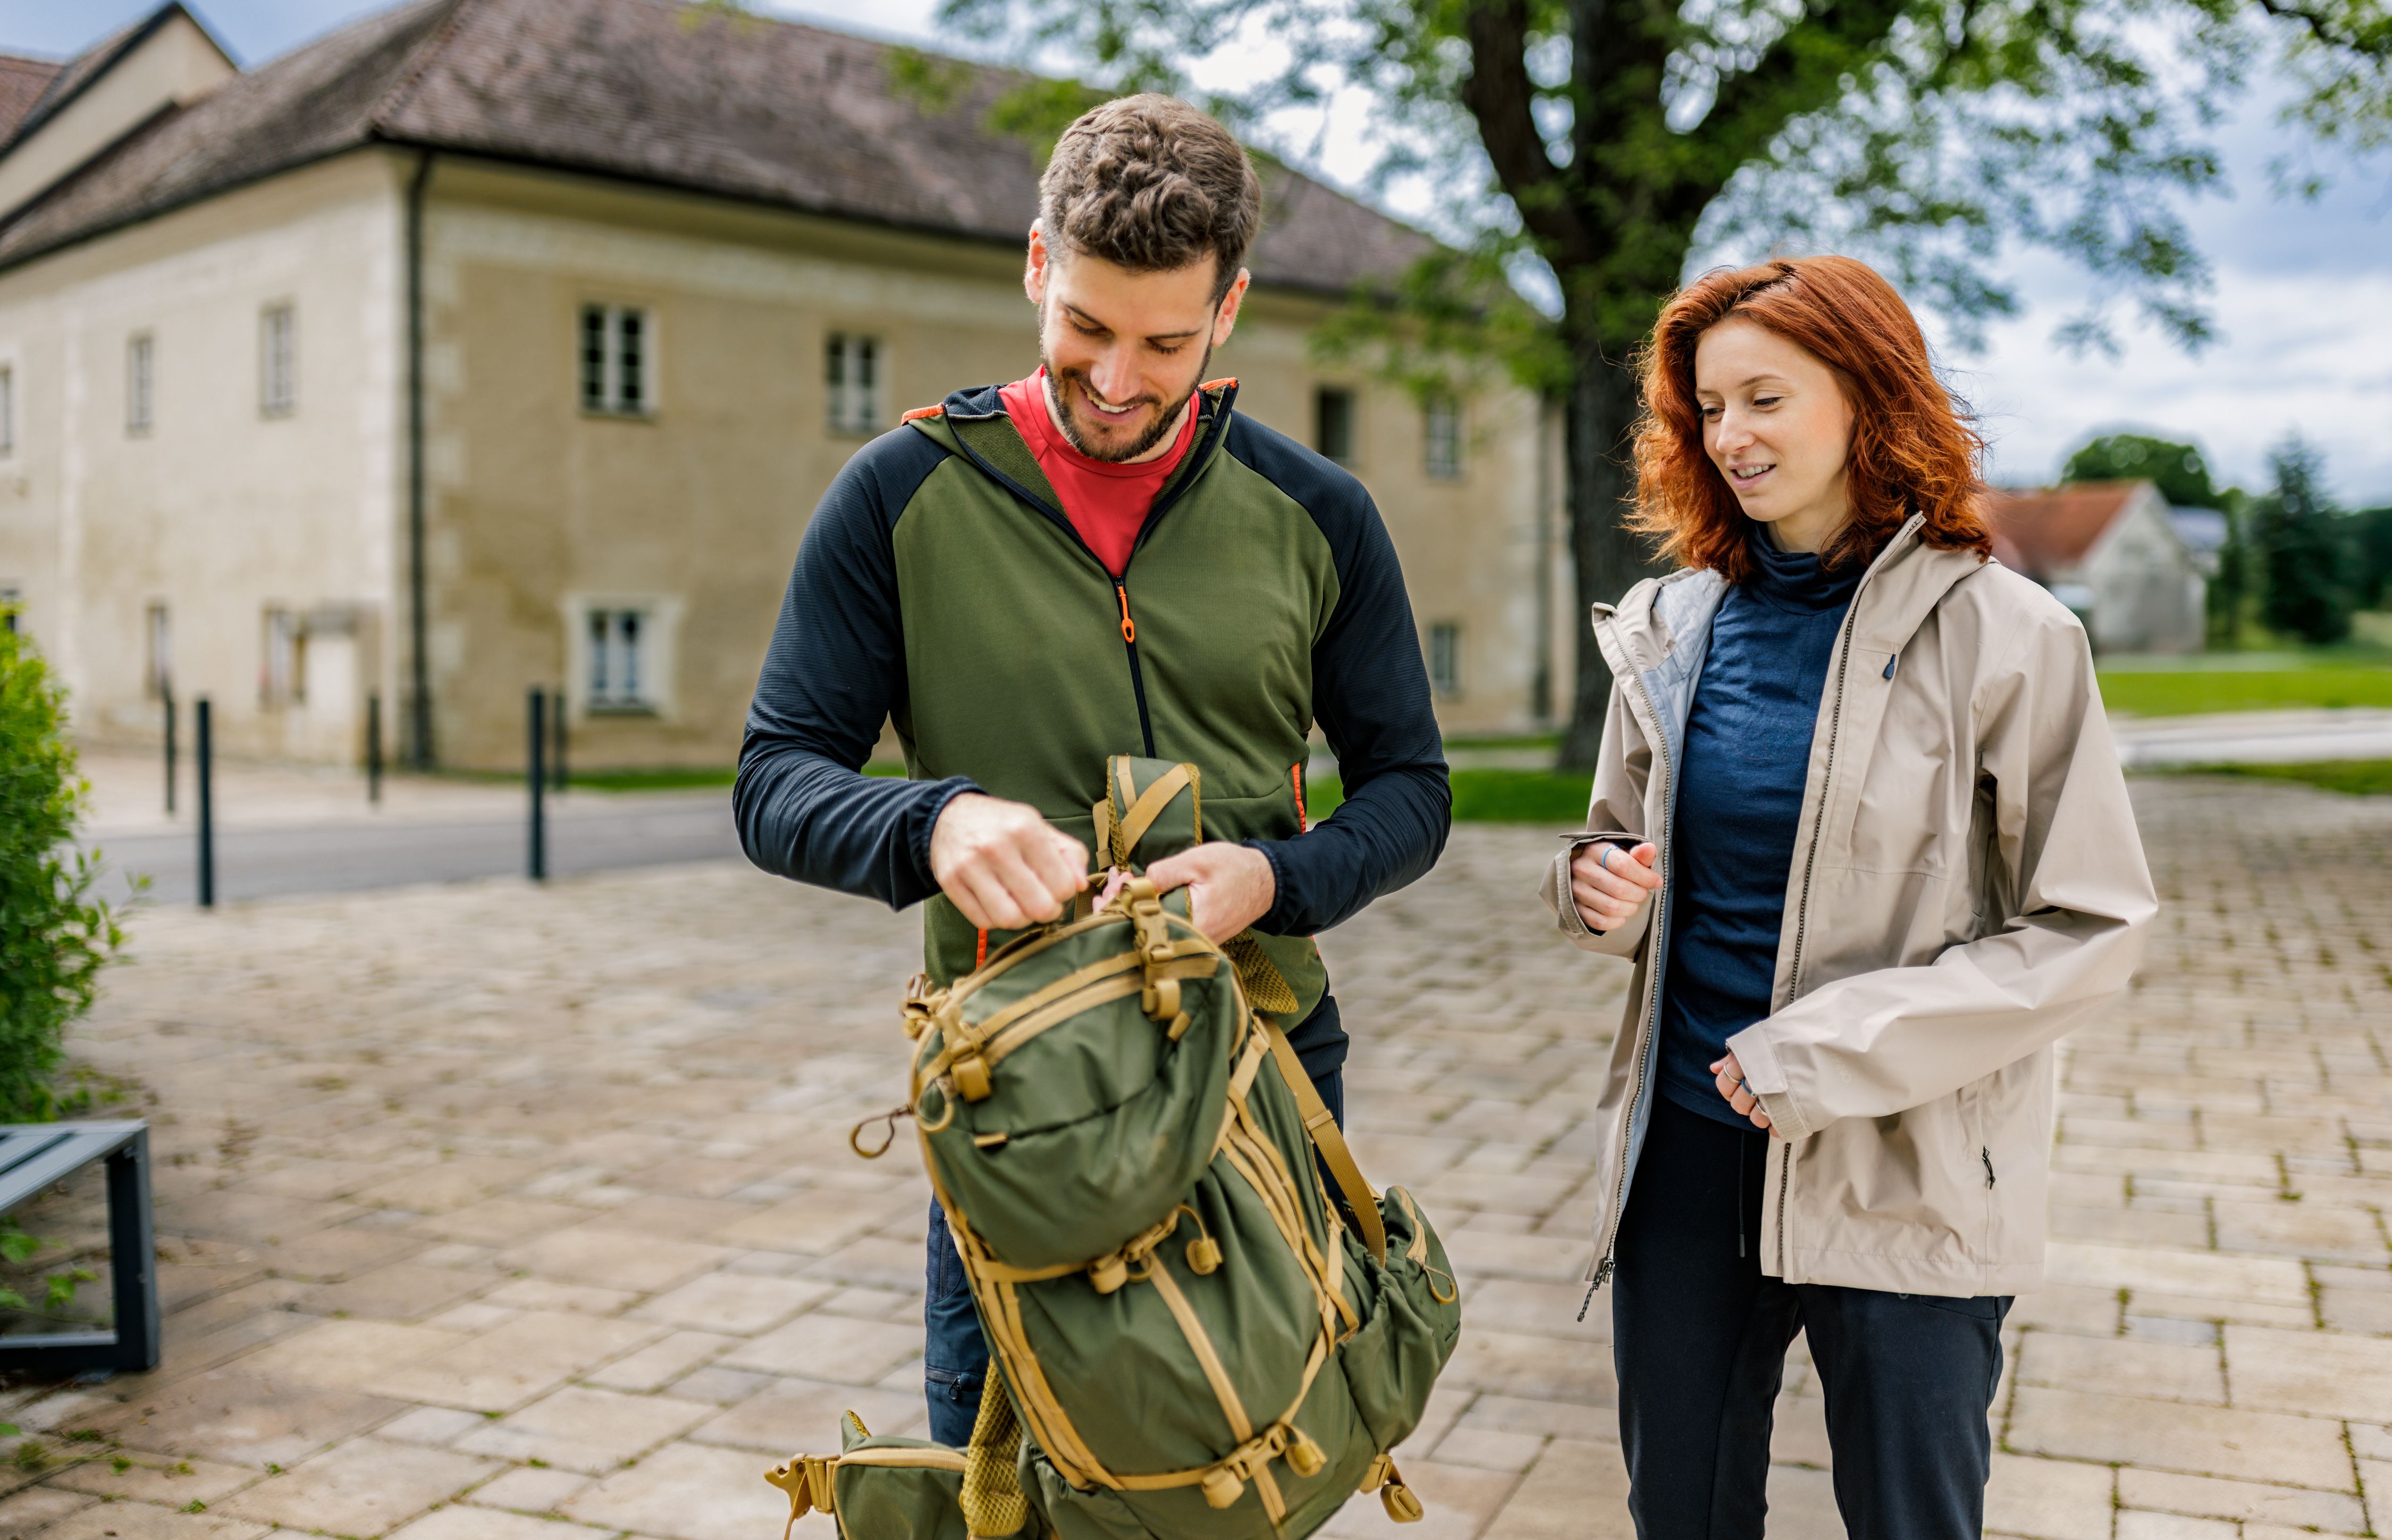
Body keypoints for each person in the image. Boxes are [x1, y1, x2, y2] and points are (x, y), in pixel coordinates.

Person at [735, 94, 1450, 1448]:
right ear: (1035, 268)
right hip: (1019, 1086)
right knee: (1005, 1464)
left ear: (1230, 308)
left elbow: (1414, 791)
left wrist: (1278, 877)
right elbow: (774, 781)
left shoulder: (1323, 517)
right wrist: (931, 822)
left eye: (1166, 342)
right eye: (1085, 328)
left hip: (1268, 1057)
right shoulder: (894, 495)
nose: (1118, 381)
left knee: (1254, 1459)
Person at [1537, 255, 2156, 1539]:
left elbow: (2090, 927)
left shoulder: (2014, 637)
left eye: (1766, 398)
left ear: (1869, 396)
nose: (1731, 437)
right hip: (1688, 1154)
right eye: (1709, 408)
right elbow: (1617, 841)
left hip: (1910, 1159)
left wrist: (1826, 1049)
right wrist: (1597, 885)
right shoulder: (1671, 621)